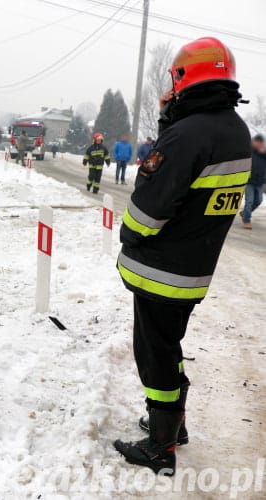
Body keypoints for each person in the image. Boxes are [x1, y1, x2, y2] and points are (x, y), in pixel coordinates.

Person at [114, 37, 251, 475]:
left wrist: (129, 236)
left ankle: (160, 448)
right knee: (169, 345)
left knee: (154, 354)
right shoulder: (234, 130)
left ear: (182, 77)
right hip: (193, 269)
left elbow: (147, 211)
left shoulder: (187, 135)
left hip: (161, 269)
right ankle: (174, 428)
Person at [241, 134, 265, 229]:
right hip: (249, 180)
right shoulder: (248, 150)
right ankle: (247, 220)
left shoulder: (264, 154)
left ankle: (245, 213)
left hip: (259, 182)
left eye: (260, 142)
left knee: (258, 200)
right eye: (257, 142)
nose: (258, 144)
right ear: (253, 142)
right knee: (249, 201)